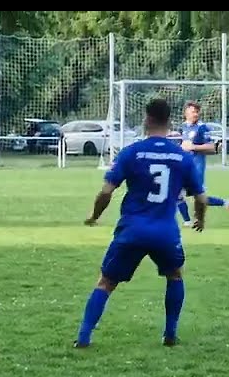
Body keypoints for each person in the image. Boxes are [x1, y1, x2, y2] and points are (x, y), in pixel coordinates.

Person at [75, 98, 208, 349]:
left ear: (147, 120)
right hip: (165, 233)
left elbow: (106, 191)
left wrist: (95, 216)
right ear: (170, 123)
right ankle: (170, 334)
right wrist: (200, 219)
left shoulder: (132, 152)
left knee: (106, 281)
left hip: (132, 230)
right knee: (175, 275)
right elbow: (200, 197)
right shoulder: (182, 157)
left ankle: (84, 336)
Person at [176, 101, 229, 226]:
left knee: (199, 198)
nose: (196, 114)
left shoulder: (202, 128)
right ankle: (187, 221)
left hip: (196, 167)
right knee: (177, 194)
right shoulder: (182, 127)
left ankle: (227, 203)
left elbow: (211, 148)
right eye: (193, 112)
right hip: (183, 166)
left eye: (197, 112)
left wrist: (192, 147)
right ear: (186, 113)